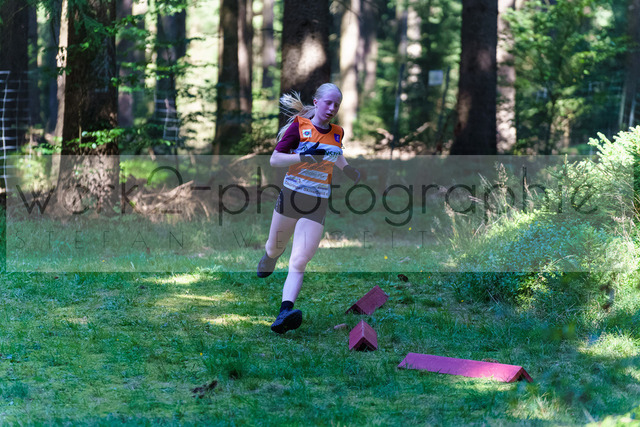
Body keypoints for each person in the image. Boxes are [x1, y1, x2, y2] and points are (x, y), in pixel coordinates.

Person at [257, 83, 364, 334]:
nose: (332, 108)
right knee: (275, 248)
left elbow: (334, 152)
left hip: (317, 203)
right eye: (328, 102)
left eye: (336, 104)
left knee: (299, 260)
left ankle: (284, 312)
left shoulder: (337, 132)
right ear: (316, 102)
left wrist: (347, 168)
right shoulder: (299, 127)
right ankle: (270, 256)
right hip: (291, 197)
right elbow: (275, 159)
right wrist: (304, 157)